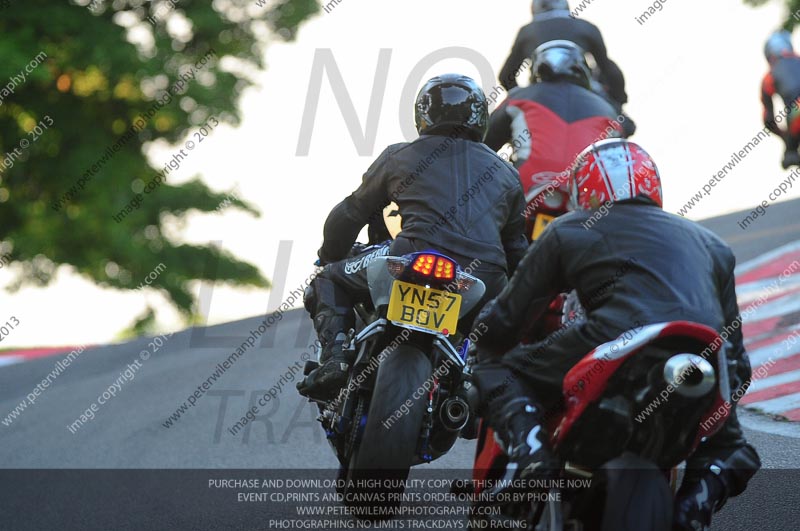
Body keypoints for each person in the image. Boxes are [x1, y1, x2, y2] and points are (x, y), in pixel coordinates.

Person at [469, 139, 761, 530]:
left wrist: (481, 338)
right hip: (704, 359)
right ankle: (694, 504)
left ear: (583, 189)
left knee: (495, 369)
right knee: (733, 448)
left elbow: (507, 321)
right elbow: (738, 362)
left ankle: (533, 455)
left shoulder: (568, 229)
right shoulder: (713, 245)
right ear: (653, 186)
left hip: (615, 339)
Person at [296, 74, 529, 400]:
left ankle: (335, 359)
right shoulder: (506, 173)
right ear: (480, 117)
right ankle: (476, 380)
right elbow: (517, 248)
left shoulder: (400, 155)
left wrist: (331, 256)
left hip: (410, 255)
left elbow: (350, 213)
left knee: (327, 279)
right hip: (483, 276)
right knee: (501, 344)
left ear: (423, 114)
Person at [485, 40, 622, 197]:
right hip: (587, 192)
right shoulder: (607, 110)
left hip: (528, 185)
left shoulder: (519, 98)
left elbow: (484, 143)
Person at [499, 0, 627, 110]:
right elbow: (611, 72)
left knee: (497, 123)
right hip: (585, 91)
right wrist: (617, 103)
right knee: (623, 125)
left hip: (540, 96)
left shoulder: (527, 31)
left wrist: (522, 97)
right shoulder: (587, 27)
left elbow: (506, 76)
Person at [761, 30, 800, 168]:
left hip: (797, 114)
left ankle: (791, 154)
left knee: (790, 156)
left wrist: (787, 139)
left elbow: (768, 120)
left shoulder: (768, 78)